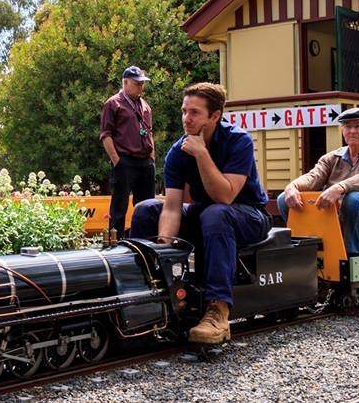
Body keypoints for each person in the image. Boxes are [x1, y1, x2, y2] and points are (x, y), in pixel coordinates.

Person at [129, 82, 271, 344]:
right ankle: (144, 297)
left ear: (215, 116)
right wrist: (164, 249)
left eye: (194, 112)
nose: (186, 118)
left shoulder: (238, 141)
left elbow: (226, 196)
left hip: (249, 216)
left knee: (216, 213)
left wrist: (202, 154)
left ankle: (218, 310)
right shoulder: (177, 151)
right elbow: (172, 207)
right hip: (206, 212)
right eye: (184, 111)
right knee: (147, 209)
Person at [277, 108, 359, 256]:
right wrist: (292, 186)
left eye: (358, 126)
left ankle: (350, 257)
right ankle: (303, 250)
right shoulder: (332, 157)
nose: (352, 131)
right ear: (342, 130)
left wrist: (340, 187)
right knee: (284, 198)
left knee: (354, 199)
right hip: (333, 221)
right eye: (347, 126)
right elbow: (314, 177)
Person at [100, 66, 156, 237]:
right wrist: (117, 161)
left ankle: (145, 242)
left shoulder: (145, 105)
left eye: (142, 83)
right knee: (119, 206)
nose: (141, 86)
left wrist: (152, 157)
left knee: (146, 206)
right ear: (125, 82)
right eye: (137, 83)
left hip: (145, 161)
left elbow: (149, 131)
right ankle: (114, 245)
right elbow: (105, 135)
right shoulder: (113, 103)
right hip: (125, 161)